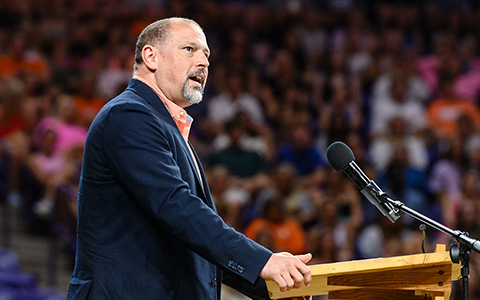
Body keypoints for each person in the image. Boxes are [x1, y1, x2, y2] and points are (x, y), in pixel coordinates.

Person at [66, 17, 312, 300]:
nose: (204, 62)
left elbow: (195, 241)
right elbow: (177, 208)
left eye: (206, 54)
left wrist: (271, 287)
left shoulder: (168, 129)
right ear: (151, 56)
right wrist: (263, 261)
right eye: (190, 49)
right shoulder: (128, 116)